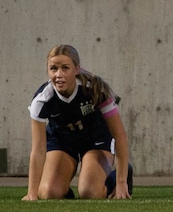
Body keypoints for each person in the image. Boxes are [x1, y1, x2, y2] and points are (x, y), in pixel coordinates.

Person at [23, 45, 132, 201]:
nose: (59, 75)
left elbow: (120, 136)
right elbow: (38, 150)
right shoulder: (41, 100)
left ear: (77, 69)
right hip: (62, 142)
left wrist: (122, 182)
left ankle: (116, 178)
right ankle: (63, 190)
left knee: (90, 192)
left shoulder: (95, 90)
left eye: (65, 68)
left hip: (96, 140)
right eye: (53, 69)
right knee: (48, 193)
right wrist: (32, 193)